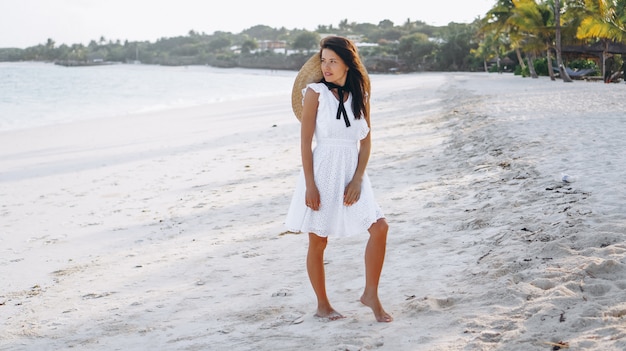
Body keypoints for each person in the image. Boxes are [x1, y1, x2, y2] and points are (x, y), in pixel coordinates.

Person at [285, 36, 393, 323]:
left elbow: (367, 142)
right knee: (318, 241)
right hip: (321, 172)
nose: (327, 66)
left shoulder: (362, 95)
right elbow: (305, 143)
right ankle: (322, 305)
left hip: (353, 172)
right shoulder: (315, 93)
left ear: (348, 63)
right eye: (323, 61)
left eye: (333, 60)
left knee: (379, 227)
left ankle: (371, 293)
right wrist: (310, 184)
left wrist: (357, 179)